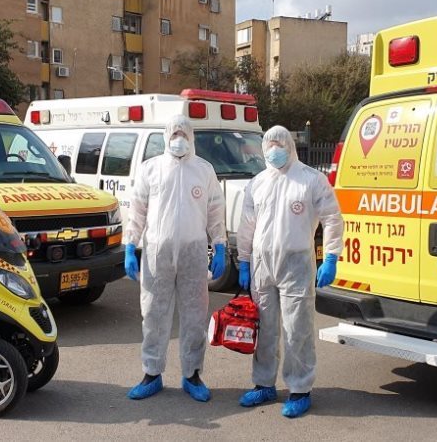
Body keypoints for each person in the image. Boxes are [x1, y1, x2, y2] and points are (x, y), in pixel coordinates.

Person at [236, 125, 343, 418]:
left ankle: (300, 389)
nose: (274, 150)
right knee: (265, 328)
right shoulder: (257, 183)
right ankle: (264, 384)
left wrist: (331, 256)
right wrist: (243, 260)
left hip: (296, 264)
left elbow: (332, 218)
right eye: (269, 145)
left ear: (290, 146)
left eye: (279, 144)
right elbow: (247, 225)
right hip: (262, 265)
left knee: (297, 329)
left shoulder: (310, 179)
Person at [123, 114, 227, 402]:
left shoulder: (203, 170)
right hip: (157, 253)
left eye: (183, 134)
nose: (178, 140)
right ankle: (151, 373)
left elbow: (215, 211)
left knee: (195, 315)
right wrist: (130, 245)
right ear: (166, 137)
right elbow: (138, 210)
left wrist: (220, 245)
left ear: (191, 137)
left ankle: (192, 374)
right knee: (153, 313)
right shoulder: (151, 169)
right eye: (174, 134)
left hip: (194, 252)